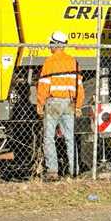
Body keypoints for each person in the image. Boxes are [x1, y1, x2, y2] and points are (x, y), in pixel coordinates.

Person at [36, 30, 84, 180]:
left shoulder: (49, 62)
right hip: (69, 103)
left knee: (49, 137)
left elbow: (43, 85)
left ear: (55, 44)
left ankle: (52, 172)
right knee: (70, 137)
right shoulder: (73, 62)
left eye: (51, 43)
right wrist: (78, 106)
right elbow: (79, 87)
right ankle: (74, 171)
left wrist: (40, 104)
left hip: (53, 103)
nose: (49, 46)